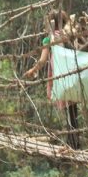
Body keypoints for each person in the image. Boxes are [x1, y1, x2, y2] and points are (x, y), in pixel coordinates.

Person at [24, 9, 80, 149]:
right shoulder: (70, 34)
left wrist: (33, 70)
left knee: (68, 108)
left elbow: (42, 60)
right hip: (73, 71)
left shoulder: (49, 38)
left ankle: (72, 143)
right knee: (73, 108)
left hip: (60, 74)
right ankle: (74, 141)